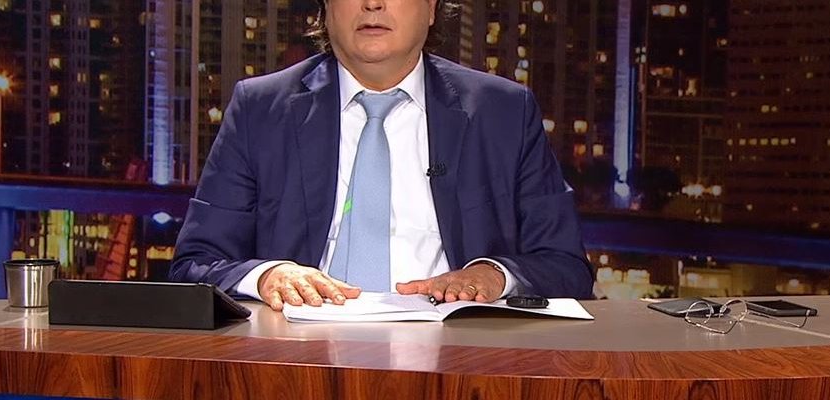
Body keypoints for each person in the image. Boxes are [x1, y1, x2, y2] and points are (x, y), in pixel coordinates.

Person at [169, 0, 592, 311]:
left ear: (431, 8)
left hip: (457, 358)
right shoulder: (261, 109)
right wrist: (268, 276)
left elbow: (565, 265)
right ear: (325, 9)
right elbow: (195, 264)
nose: (372, 4)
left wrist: (493, 275)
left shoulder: (503, 112)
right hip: (299, 353)